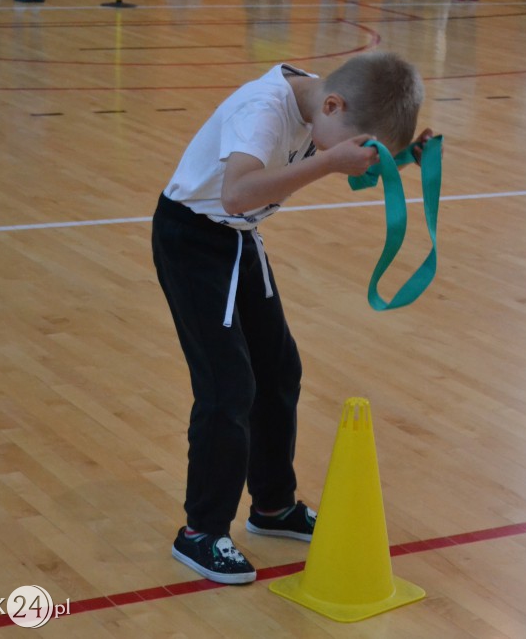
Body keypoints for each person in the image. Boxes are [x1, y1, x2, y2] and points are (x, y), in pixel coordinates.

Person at [152, 52, 431, 585]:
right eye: (361, 145)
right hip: (192, 241)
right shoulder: (264, 110)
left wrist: (404, 157)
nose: (360, 157)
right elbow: (236, 195)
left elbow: (331, 149)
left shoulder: (323, 105)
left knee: (280, 371)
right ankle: (201, 533)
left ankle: (273, 507)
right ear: (332, 105)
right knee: (227, 386)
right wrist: (328, 162)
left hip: (235, 241)